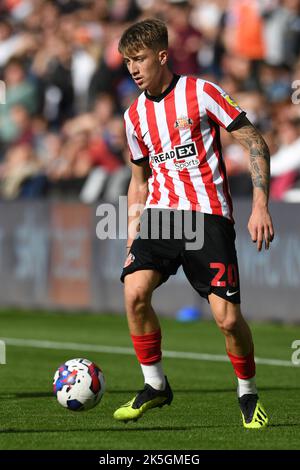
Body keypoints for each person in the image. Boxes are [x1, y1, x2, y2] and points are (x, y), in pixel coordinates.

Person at [113, 18, 274, 429]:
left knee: (228, 320)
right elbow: (139, 180)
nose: (132, 68)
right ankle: (155, 384)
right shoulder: (133, 117)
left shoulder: (201, 92)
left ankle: (248, 392)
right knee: (134, 292)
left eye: (139, 59)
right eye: (127, 61)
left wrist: (259, 205)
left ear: (162, 56)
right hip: (162, 218)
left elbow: (254, 141)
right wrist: (133, 231)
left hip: (208, 218)